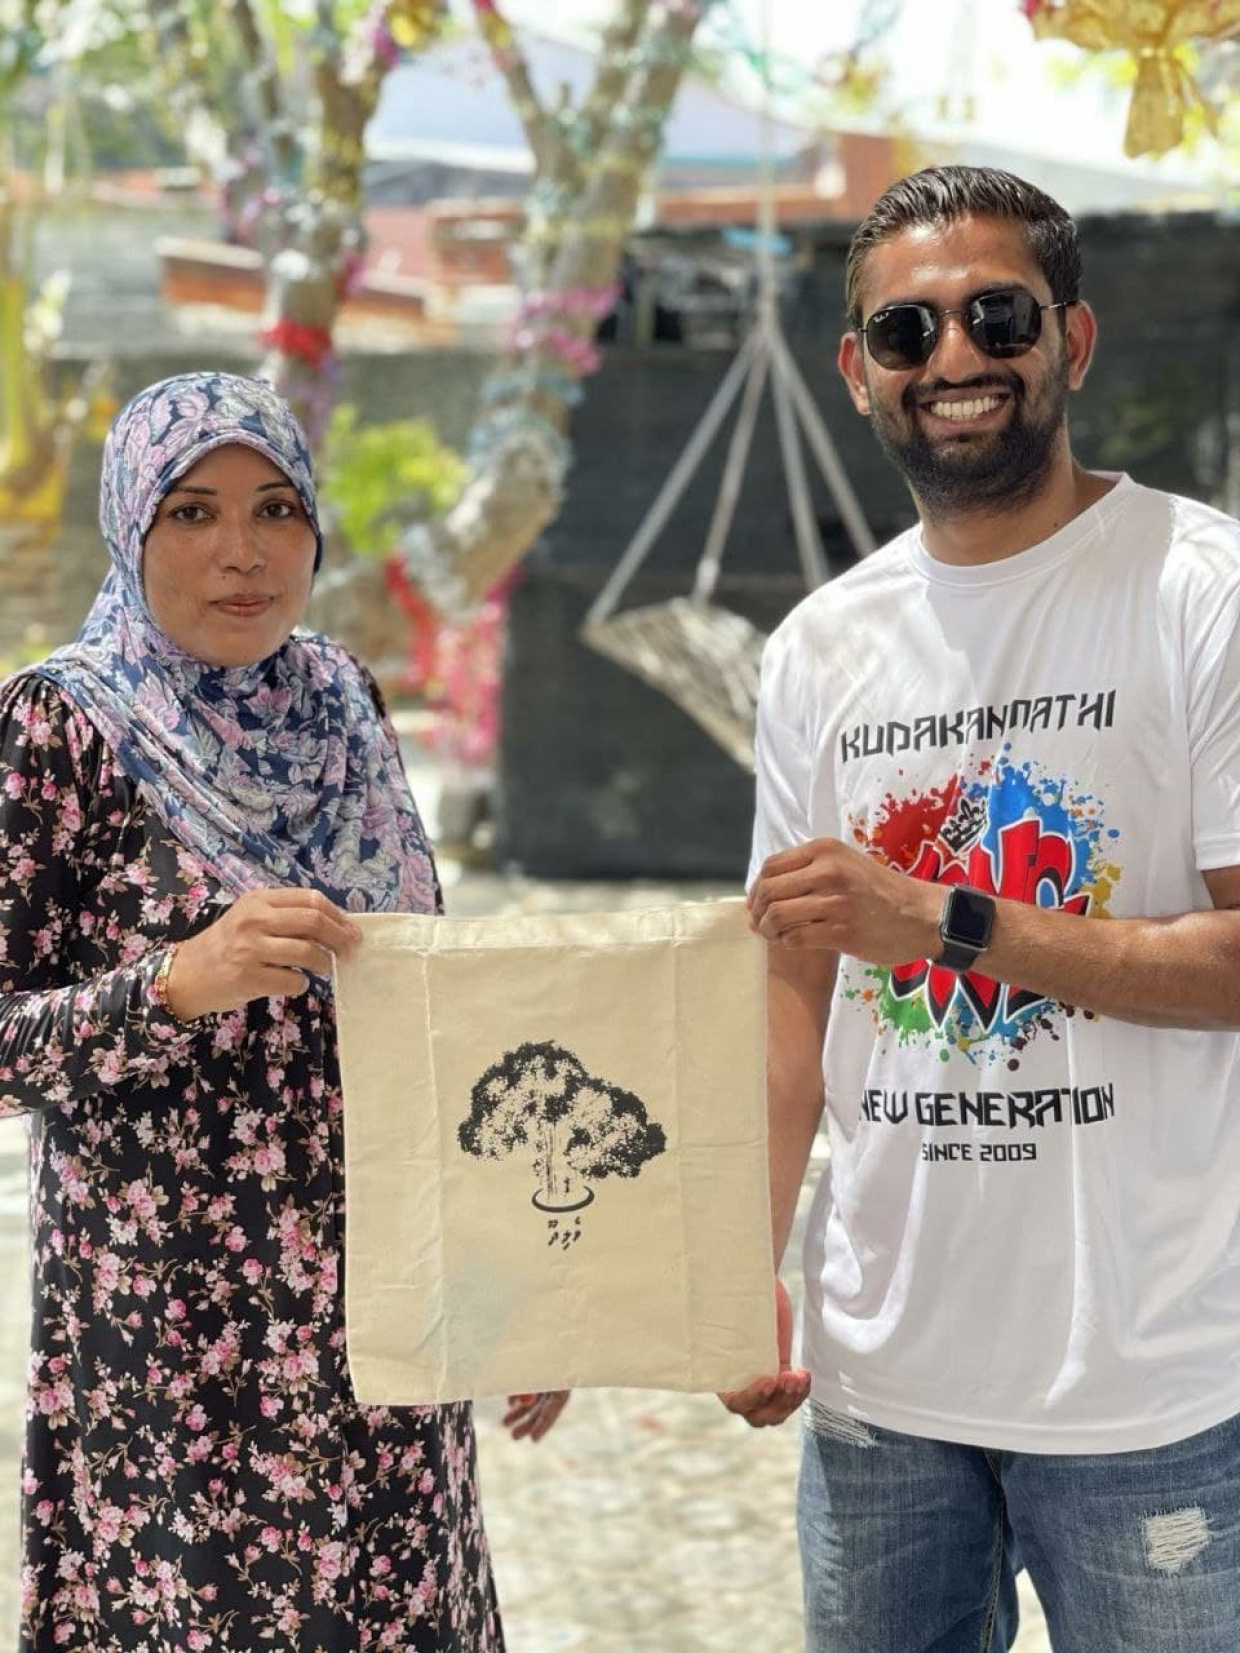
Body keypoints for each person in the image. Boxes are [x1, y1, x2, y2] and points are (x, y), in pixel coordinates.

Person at [728, 166, 1240, 1651]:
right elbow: (791, 994)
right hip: (882, 1393)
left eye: (996, 317)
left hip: (1152, 1388)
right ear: (858, 370)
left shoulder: (1198, 590)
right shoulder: (819, 649)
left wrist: (954, 924)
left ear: (1070, 338)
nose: (953, 356)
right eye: (909, 331)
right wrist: (736, 1272)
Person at [0, 371, 567, 1652]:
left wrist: (523, 1285)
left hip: (389, 1329)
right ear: (130, 525)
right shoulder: (64, 726)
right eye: (192, 512)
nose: (243, 551)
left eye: (275, 509)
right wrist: (172, 985)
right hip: (175, 1364)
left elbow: (432, 1010)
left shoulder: (344, 704)